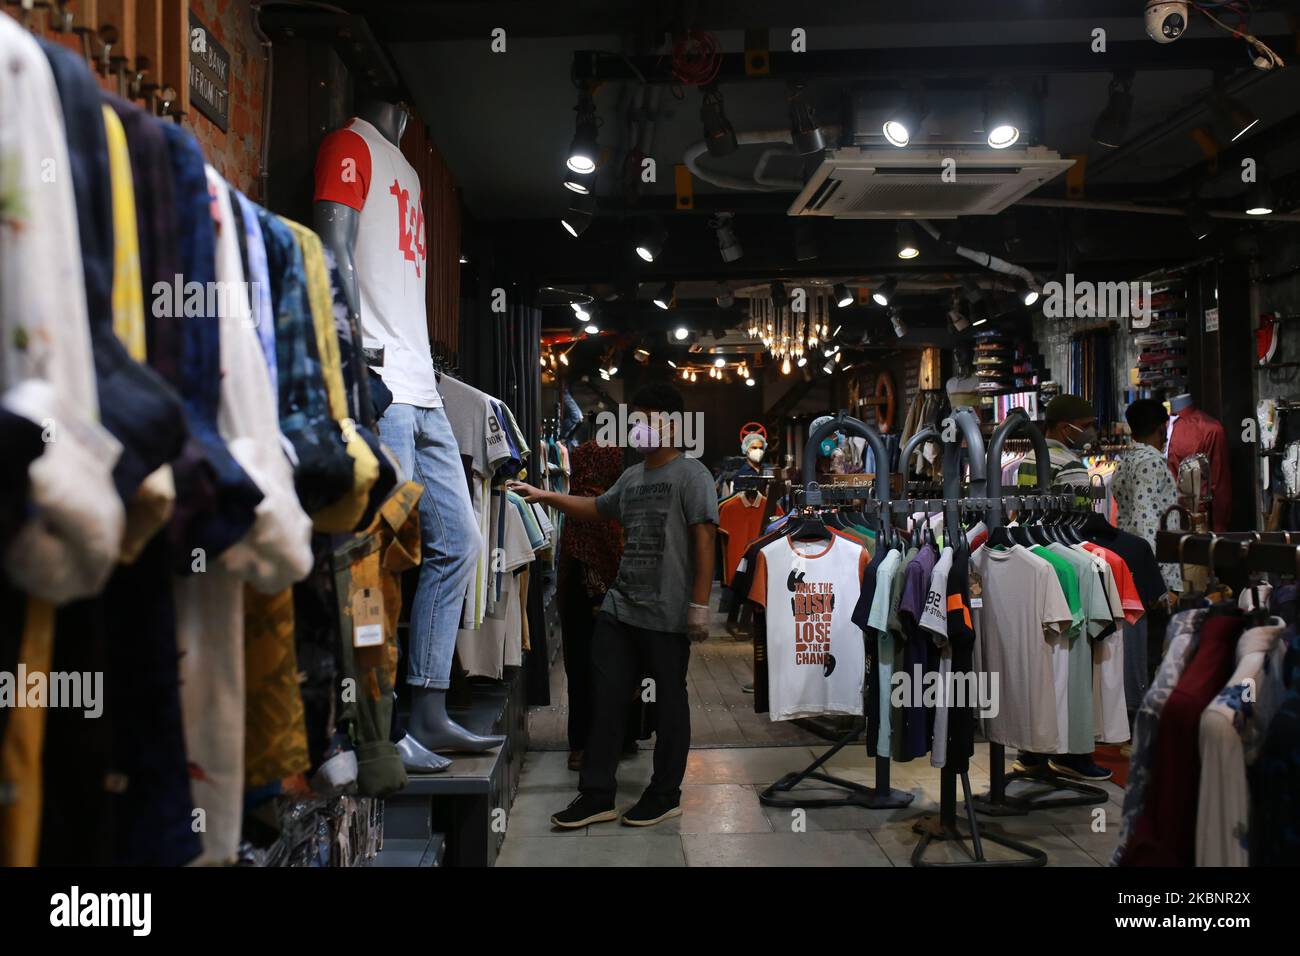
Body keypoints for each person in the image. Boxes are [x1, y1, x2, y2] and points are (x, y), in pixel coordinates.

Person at [509, 382, 718, 828]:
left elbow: (705, 541)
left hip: (666, 614)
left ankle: (665, 793)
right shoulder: (633, 477)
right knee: (606, 699)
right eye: (635, 421)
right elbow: (598, 508)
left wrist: (699, 606)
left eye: (647, 419)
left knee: (668, 705)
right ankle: (597, 794)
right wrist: (546, 496)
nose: (639, 428)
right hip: (621, 608)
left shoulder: (692, 476)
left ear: (673, 424)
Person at [1015, 394, 1111, 782]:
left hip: (1030, 554)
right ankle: (1073, 750)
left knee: (1040, 661)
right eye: (1085, 424)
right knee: (1073, 660)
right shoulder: (1070, 464)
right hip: (1066, 557)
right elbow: (1081, 516)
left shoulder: (1026, 461)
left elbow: (1025, 511)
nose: (1089, 432)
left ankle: (1033, 749)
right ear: (1062, 425)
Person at [555, 439, 641, 771]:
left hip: (578, 604)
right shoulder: (601, 503)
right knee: (613, 671)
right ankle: (611, 741)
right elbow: (610, 557)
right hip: (604, 604)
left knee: (580, 674)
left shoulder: (577, 497)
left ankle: (582, 744)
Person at [1112, 398, 1181, 733]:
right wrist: (1155, 582)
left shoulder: (1126, 460)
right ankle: (1143, 717)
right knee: (1150, 646)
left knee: (1139, 646)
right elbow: (1146, 520)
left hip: (1128, 561)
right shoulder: (1151, 461)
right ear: (1161, 428)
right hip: (1148, 567)